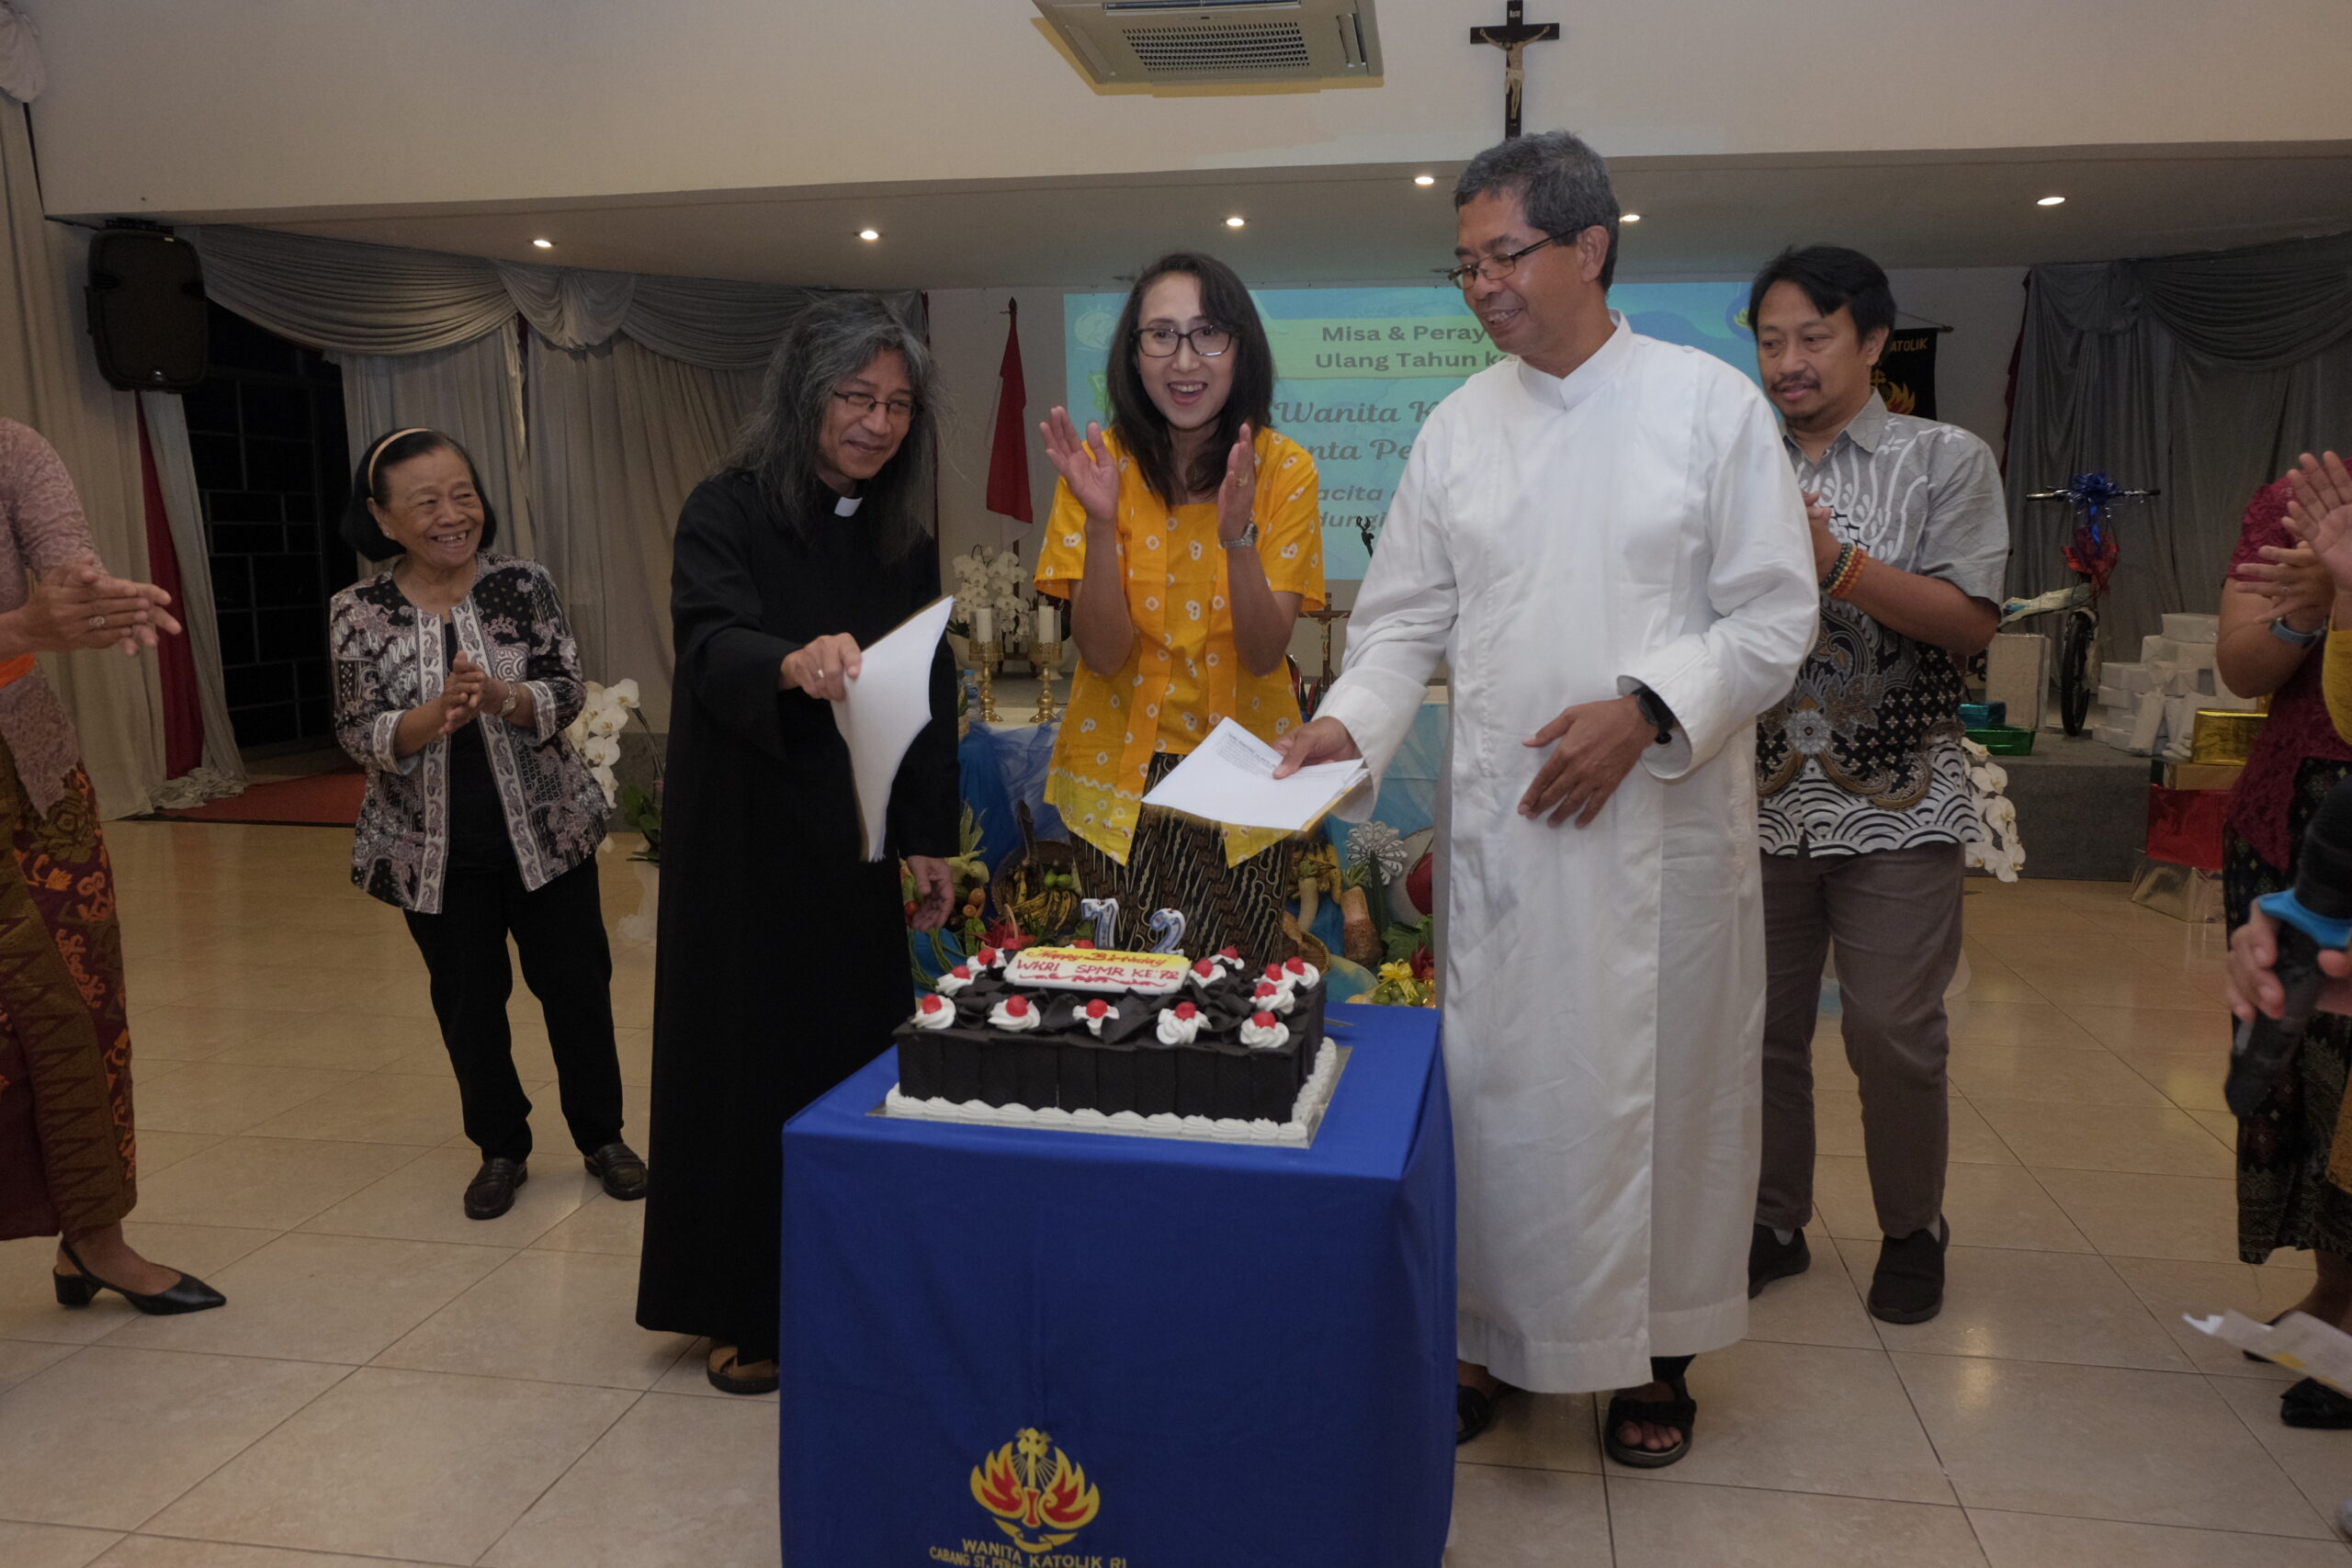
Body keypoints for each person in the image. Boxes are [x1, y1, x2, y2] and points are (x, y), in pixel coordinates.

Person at [1273, 130, 1817, 1466]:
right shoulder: (1459, 428)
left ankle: (1657, 1356)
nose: (1482, 286)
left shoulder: (1708, 407)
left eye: (1504, 256)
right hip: (1514, 844)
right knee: (1505, 1097)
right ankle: (1491, 1339)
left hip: (1659, 833)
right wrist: (1343, 720)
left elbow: (1773, 617)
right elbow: (1400, 624)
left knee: (1666, 1095)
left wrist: (1646, 711)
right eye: (1464, 264)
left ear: (1590, 247)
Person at [636, 295, 958, 1396]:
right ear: (803, 397)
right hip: (746, 835)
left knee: (850, 1056)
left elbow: (927, 688)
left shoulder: (900, 535)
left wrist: (928, 838)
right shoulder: (724, 507)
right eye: (855, 397)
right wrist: (790, 662)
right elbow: (710, 636)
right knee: (747, 1066)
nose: (877, 423)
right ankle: (742, 1303)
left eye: (897, 405)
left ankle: (851, 1288)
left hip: (853, 844)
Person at [1740, 246, 2008, 1325]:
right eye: (1770, 341)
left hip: (1897, 796)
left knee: (1891, 1029)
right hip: (1749, 800)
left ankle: (1911, 1227)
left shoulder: (1943, 460)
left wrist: (1837, 566)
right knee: (1756, 1030)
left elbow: (1969, 622)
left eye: (1812, 338)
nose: (1788, 362)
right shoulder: (1732, 461)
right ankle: (1772, 1221)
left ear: (1872, 342)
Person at [331, 427, 644, 1223]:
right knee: (469, 1007)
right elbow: (357, 729)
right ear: (382, 517)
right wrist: (434, 715)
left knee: (577, 991)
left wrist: (503, 698)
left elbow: (566, 687)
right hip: (431, 853)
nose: (452, 515)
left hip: (549, 837)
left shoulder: (522, 584)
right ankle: (501, 1147)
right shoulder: (357, 611)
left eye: (462, 494)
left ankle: (603, 1136)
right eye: (426, 502)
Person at [1035, 252, 1325, 957]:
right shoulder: (1097, 467)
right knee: (1125, 999)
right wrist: (1101, 522)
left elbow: (1265, 653)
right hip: (1116, 782)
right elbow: (1103, 654)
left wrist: (1238, 537)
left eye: (1207, 334)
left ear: (1240, 349)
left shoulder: (1284, 469)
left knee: (1234, 996)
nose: (1185, 359)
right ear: (1134, 354)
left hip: (1240, 780)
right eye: (1161, 335)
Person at [0, 419, 219, 1314]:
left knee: (80, 1004)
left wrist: (85, 596)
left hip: (30, 767)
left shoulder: (11, 447)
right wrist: (19, 623)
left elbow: (68, 566)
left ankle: (93, 1240)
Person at [2214, 449, 2352, 1426]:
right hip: (2294, 826)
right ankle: (2332, 1293)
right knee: (2294, 1079)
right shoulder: (2302, 499)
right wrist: (2309, 612)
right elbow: (2240, 666)